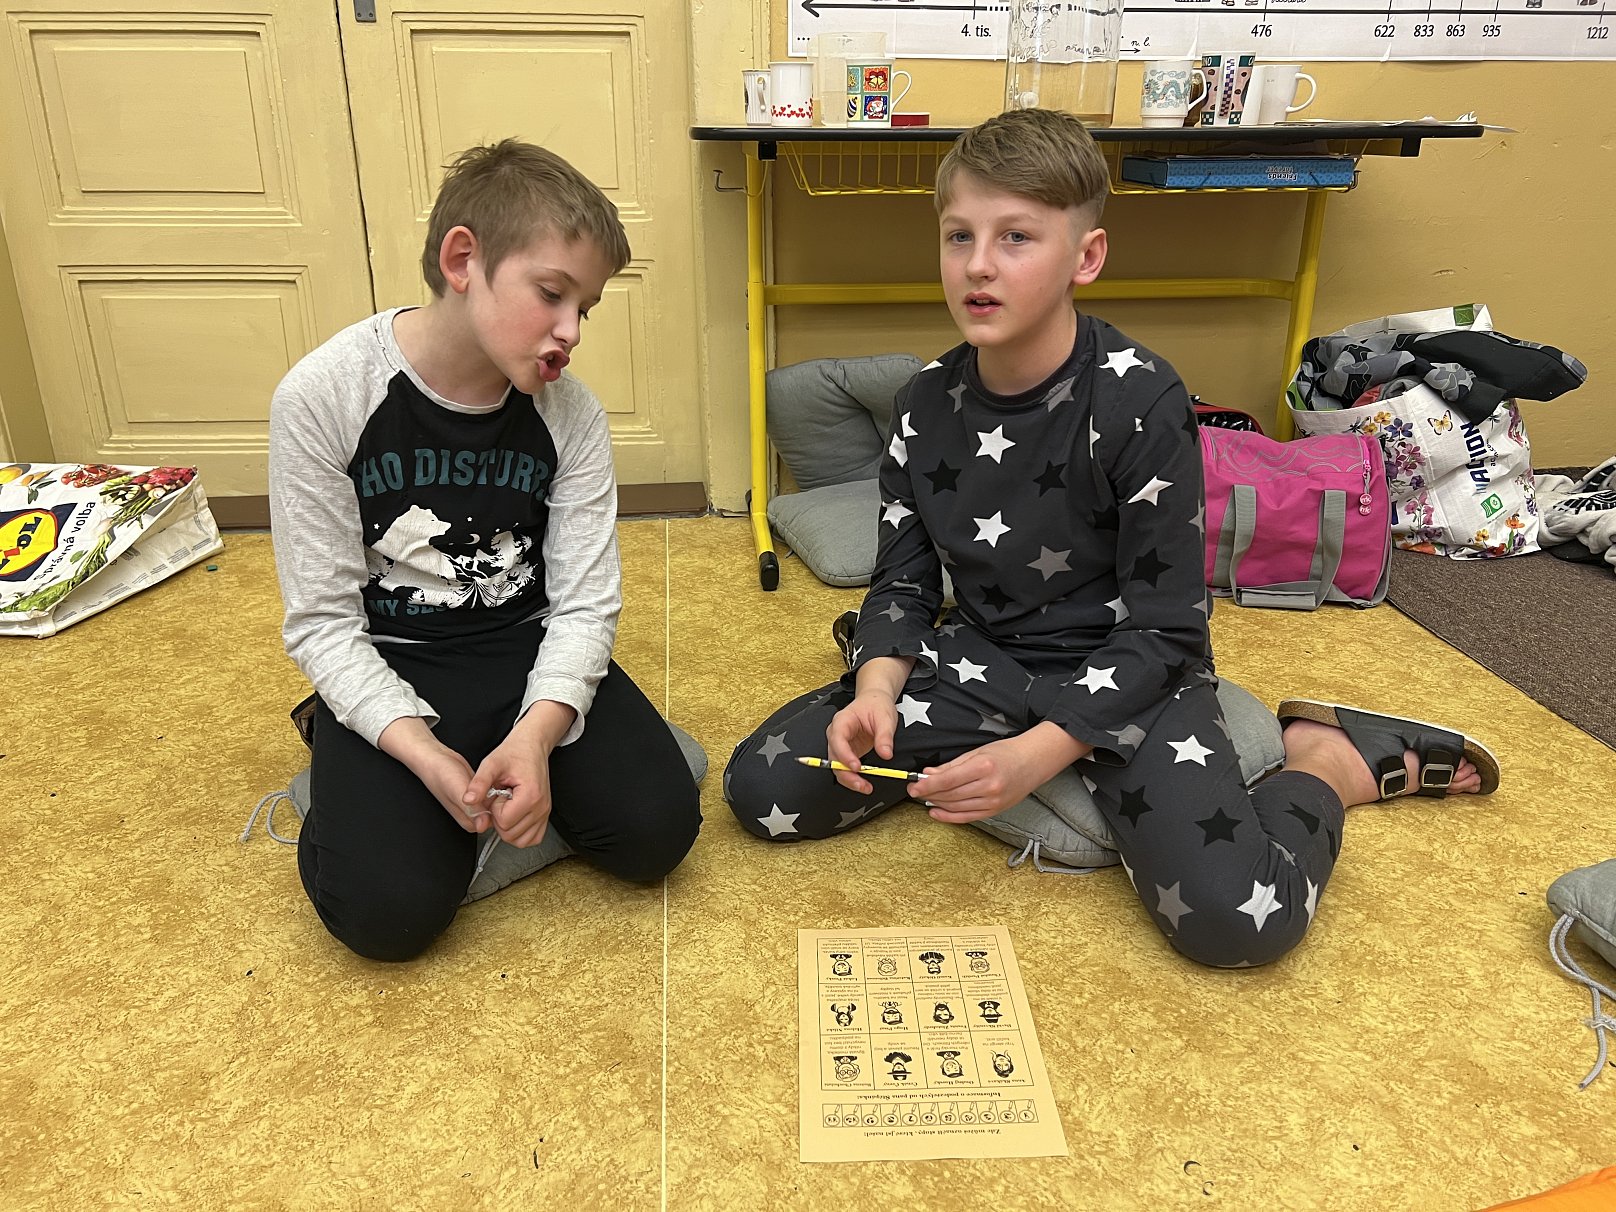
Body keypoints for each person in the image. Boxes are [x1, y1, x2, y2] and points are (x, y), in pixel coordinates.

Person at [723, 109, 1499, 968]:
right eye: (958, 236)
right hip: (985, 656)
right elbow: (902, 581)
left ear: (1085, 257)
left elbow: (1169, 625)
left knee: (1239, 925)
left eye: (1016, 237)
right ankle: (984, 749)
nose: (977, 265)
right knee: (762, 789)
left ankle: (1330, 763)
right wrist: (875, 690)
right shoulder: (923, 404)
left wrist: (1037, 756)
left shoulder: (1142, 400)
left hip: (1134, 672)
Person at [269, 139, 700, 962]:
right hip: (392, 656)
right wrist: (419, 750)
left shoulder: (572, 415)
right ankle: (343, 752)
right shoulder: (323, 397)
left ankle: (497, 782)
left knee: (657, 835)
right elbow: (322, 624)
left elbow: (584, 605)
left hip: (520, 644)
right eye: (552, 294)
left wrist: (536, 735)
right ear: (463, 260)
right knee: (387, 919)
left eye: (586, 308)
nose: (571, 332)